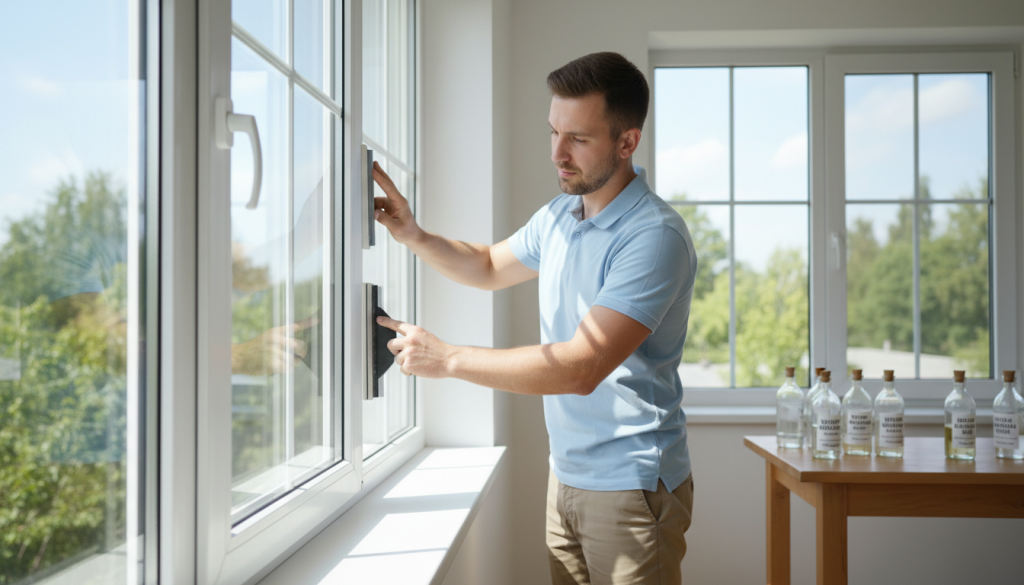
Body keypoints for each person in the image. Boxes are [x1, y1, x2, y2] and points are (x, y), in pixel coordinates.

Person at [372, 52, 697, 585]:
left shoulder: (653, 237)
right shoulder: (560, 216)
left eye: (578, 138)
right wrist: (414, 235)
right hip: (565, 475)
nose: (558, 153)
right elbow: (486, 265)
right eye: (553, 132)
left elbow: (581, 367)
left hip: (630, 485)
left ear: (627, 142)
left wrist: (448, 359)